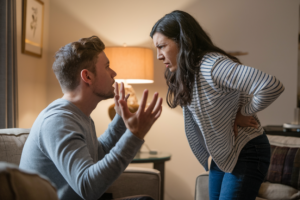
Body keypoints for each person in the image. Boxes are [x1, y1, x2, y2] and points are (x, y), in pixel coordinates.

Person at [150, 10, 284, 200]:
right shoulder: (188, 71)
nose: (158, 56)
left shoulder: (211, 65)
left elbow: (271, 85)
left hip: (247, 150)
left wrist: (244, 112)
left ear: (183, 40)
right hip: (224, 155)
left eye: (162, 46)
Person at [19, 36, 163, 200]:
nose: (114, 73)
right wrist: (135, 135)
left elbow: (98, 154)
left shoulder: (78, 115)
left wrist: (121, 119)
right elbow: (88, 188)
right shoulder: (58, 121)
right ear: (87, 77)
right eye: (107, 67)